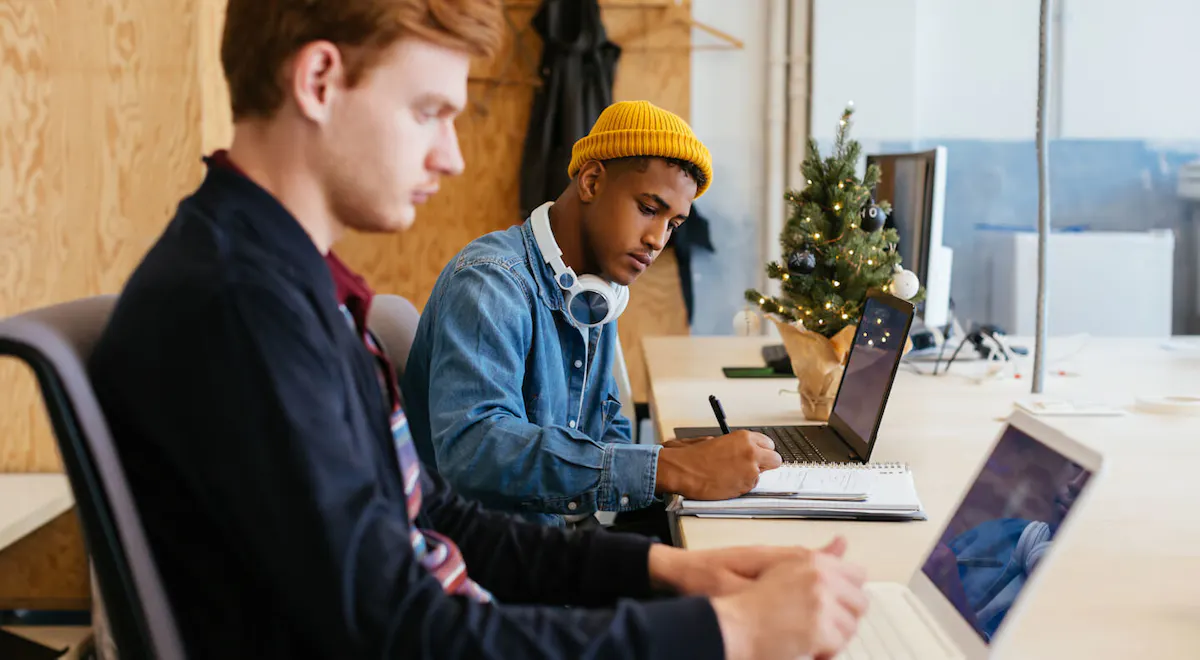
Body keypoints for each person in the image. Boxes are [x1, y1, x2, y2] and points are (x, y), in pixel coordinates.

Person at [87, 1, 868, 658]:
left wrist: (671, 574)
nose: (455, 156)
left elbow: (433, 518)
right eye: (429, 111)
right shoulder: (241, 308)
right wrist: (724, 629)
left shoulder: (292, 285)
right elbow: (400, 629)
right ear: (320, 80)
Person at [401, 100, 781, 531]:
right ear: (592, 181)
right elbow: (475, 449)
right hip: (486, 561)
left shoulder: (594, 290)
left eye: (674, 224)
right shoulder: (492, 282)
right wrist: (667, 470)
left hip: (554, 541)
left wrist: (674, 459)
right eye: (648, 208)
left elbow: (605, 426)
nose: (658, 240)